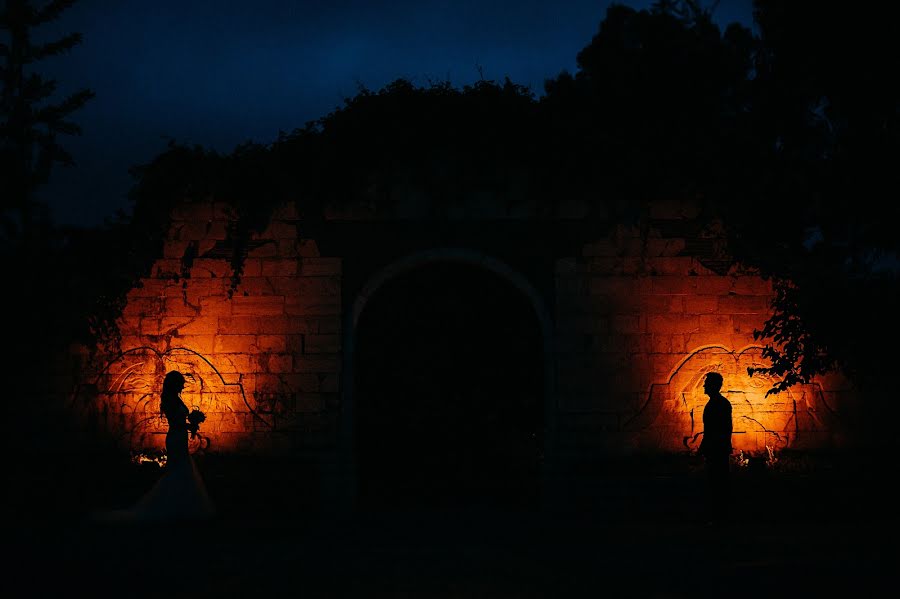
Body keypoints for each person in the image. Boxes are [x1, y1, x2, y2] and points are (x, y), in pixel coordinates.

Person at [94, 370, 215, 523]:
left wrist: (190, 423)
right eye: (181, 384)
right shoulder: (169, 400)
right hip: (176, 438)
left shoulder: (176, 399)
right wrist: (190, 426)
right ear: (175, 384)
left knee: (181, 470)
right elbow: (176, 422)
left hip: (180, 437)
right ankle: (172, 506)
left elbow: (179, 420)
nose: (183, 386)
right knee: (178, 470)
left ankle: (179, 504)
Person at [698, 371, 732, 525]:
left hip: (716, 450)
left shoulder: (717, 404)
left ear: (713, 385)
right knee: (718, 484)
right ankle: (719, 516)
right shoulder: (720, 403)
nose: (704, 385)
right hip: (718, 449)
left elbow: (714, 431)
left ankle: (718, 518)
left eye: (706, 383)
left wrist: (703, 449)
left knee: (716, 484)